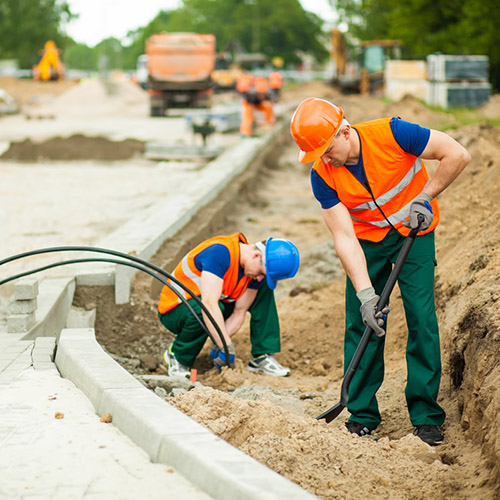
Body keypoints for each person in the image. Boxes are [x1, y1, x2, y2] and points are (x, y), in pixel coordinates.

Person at [290, 98, 470, 446]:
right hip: (368, 240)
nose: (325, 160)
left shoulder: (394, 133)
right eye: (318, 156)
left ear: (344, 131)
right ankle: (362, 415)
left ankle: (426, 416)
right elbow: (343, 236)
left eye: (327, 150)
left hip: (414, 231)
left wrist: (427, 196)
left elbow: (458, 154)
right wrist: (366, 295)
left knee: (420, 314)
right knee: (362, 321)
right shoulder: (322, 176)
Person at [158, 232, 300, 379]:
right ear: (257, 256)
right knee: (205, 309)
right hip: (177, 310)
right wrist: (225, 345)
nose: (259, 278)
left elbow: (239, 312)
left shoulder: (252, 268)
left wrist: (219, 341)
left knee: (264, 289)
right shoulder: (220, 253)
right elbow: (209, 304)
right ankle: (178, 357)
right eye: (261, 273)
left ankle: (260, 356)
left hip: (214, 307)